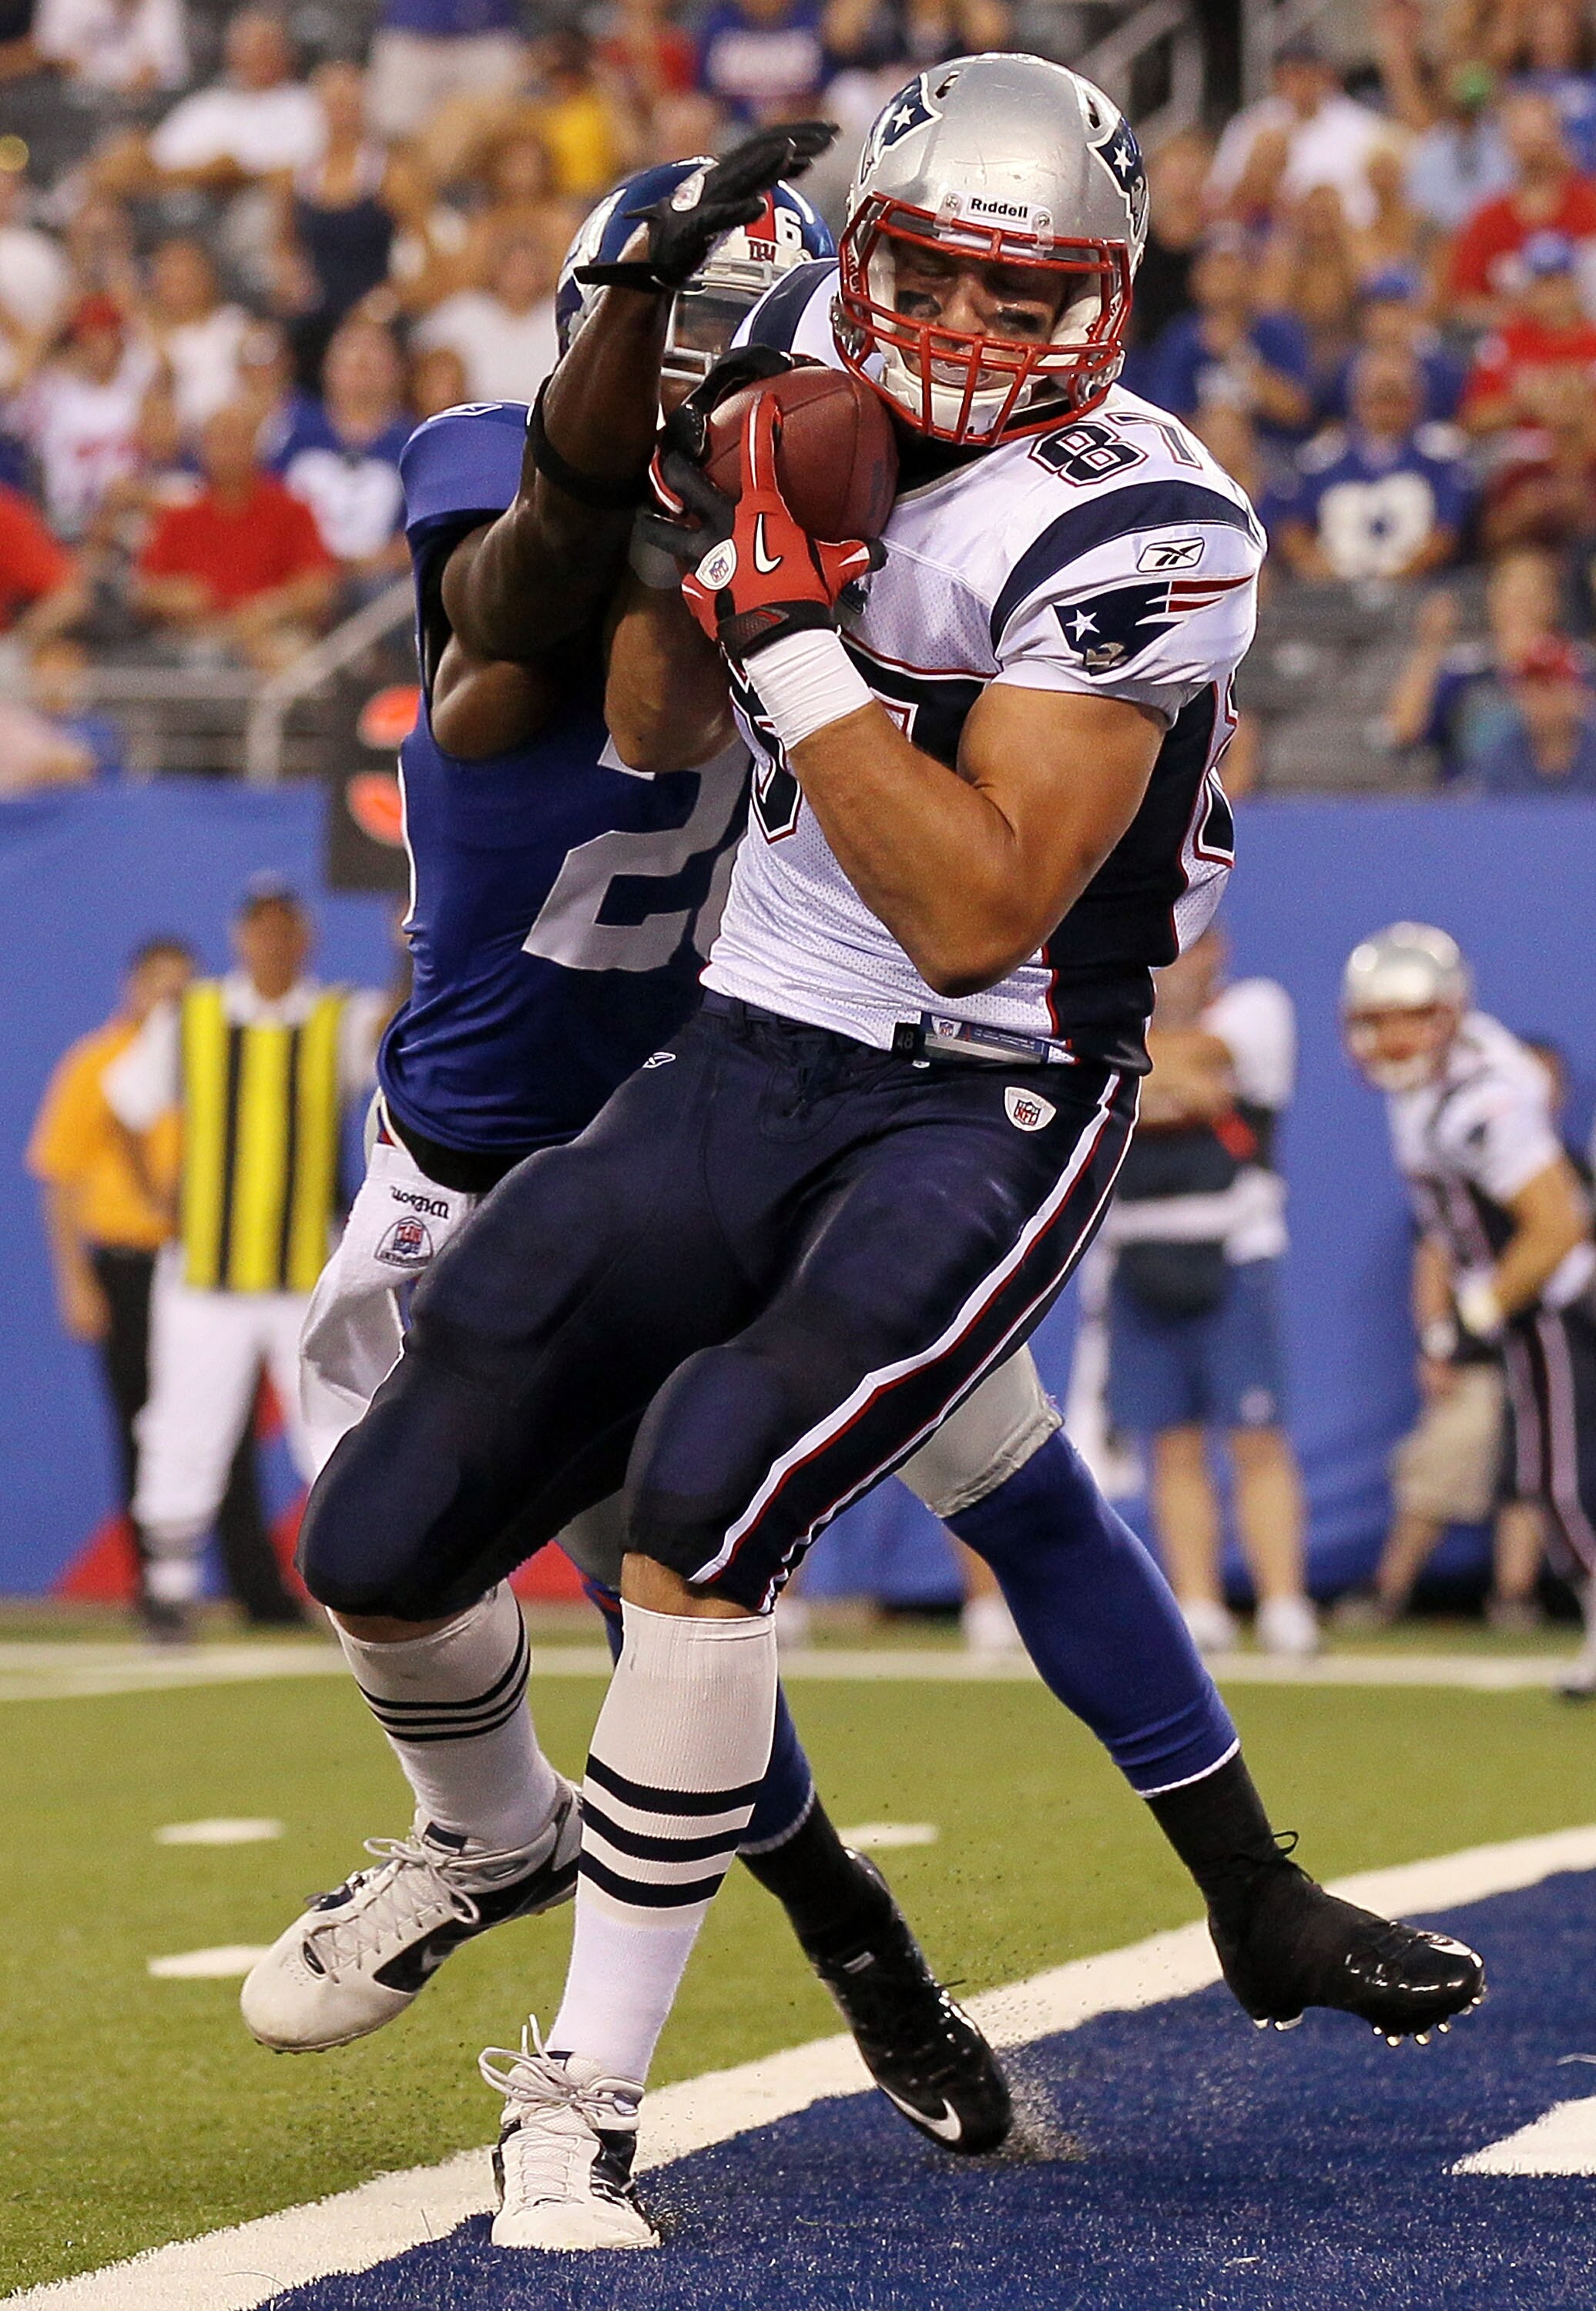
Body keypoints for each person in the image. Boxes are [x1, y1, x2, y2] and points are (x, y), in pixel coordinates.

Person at [290, 60, 1484, 2255]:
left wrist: (792, 624)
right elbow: (619, 693)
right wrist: (686, 477)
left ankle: (586, 2104)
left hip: (995, 1077)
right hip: (751, 1048)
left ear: (1111, 305)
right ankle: (540, 1847)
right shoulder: (771, 380)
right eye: (921, 271)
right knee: (372, 1527)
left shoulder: (1146, 512)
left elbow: (974, 909)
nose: (961, 331)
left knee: (727, 1490)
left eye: (1021, 293)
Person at [247, 146, 1011, 2163]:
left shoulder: (836, 519)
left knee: (669, 1605)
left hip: (683, 1152)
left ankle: (830, 1964)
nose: (696, 368)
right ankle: (518, 1842)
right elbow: (528, 566)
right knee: (395, 1563)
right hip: (462, 1156)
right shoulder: (501, 502)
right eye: (659, 324)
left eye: (723, 328)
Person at [99, 884, 385, 1638]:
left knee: (333, 1428)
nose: (273, 946)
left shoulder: (337, 1018)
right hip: (205, 1276)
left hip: (305, 1273)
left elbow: (401, 1033)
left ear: (307, 941)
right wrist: (157, 1198)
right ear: (239, 940)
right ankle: (168, 1590)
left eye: (286, 932)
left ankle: (353, 1584)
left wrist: (408, 944)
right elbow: (123, 1104)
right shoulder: (189, 1018)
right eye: (260, 933)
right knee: (182, 1429)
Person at [1342, 924, 1596, 1692]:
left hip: (1549, 1304)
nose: (1391, 1039)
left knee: (1554, 1485)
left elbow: (1555, 1225)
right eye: (1375, 1020)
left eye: (1410, 1017)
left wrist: (1474, 1313)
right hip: (1534, 1302)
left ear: (1449, 1014)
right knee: (1546, 1482)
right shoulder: (1453, 1074)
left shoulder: (1475, 1103)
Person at [1102, 927, 1318, 1659]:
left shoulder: (1256, 1009)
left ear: (1216, 952)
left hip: (1232, 1251)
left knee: (1256, 1437)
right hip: (1139, 1251)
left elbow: (1182, 1063)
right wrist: (1168, 1088)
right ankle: (1198, 1606)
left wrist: (1135, 1079)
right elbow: (1119, 1070)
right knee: (1173, 1443)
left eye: (1187, 952)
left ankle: (1285, 1604)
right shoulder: (1117, 1020)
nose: (1173, 969)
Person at [132, 401, 337, 669]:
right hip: (194, 635)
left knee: (291, 659)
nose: (227, 451)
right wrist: (174, 596)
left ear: (255, 445)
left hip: (271, 633)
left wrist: (270, 610)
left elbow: (319, 588)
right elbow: (144, 592)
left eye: (236, 439)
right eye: (218, 439)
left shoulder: (292, 509)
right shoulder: (178, 516)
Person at [1269, 351, 1473, 584]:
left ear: (1417, 398)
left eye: (1395, 397)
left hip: (1418, 590)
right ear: (1356, 399)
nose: (1385, 409)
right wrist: (1323, 571)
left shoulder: (1442, 453)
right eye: (1377, 397)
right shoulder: (1323, 457)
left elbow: (1446, 532)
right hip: (1336, 593)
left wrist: (1398, 579)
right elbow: (1291, 528)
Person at [271, 314, 411, 586]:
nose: (361, 360)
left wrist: (372, 562)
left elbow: (422, 533)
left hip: (377, 582)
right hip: (296, 576)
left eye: (374, 351)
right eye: (350, 349)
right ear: (328, 366)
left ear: (396, 370)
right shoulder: (292, 428)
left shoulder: (413, 444)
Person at [1446, 93, 1596, 334]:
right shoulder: (1487, 218)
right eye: (1524, 140)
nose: (1533, 152)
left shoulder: (1590, 203)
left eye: (1540, 139)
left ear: (1558, 137)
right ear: (1507, 143)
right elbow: (1465, 302)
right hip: (1517, 352)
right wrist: (1528, 316)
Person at [1459, 230, 1596, 434]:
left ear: (1576, 285)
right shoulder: (1505, 341)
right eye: (1542, 283)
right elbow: (1472, 420)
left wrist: (1575, 406)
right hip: (1516, 451)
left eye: (1560, 281)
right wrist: (1523, 406)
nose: (1551, 294)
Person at [412, 229, 561, 404]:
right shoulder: (464, 310)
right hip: (474, 418)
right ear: (496, 269)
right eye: (513, 267)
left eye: (529, 268)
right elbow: (423, 357)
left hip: (546, 421)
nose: (520, 277)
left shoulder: (559, 316)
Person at [1474, 635, 1596, 793]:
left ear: (1574, 691)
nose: (1538, 699)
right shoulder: (1501, 756)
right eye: (1529, 688)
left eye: (1548, 686)